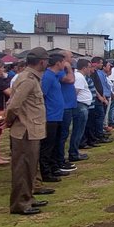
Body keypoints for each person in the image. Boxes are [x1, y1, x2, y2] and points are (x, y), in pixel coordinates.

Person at [6, 48, 51, 216]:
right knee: (23, 169)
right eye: (46, 61)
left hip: (31, 129)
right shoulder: (28, 80)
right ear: (41, 61)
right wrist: (9, 121)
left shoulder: (32, 78)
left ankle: (28, 198)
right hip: (25, 130)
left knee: (30, 168)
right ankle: (20, 204)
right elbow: (13, 106)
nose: (47, 63)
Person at [40, 52, 69, 183]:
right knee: (48, 146)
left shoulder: (54, 76)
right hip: (50, 116)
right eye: (63, 62)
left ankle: (54, 167)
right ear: (58, 63)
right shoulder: (48, 77)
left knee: (55, 143)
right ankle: (46, 172)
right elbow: (42, 95)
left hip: (56, 115)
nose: (65, 64)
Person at [69, 59, 93, 160]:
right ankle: (74, 153)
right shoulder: (79, 77)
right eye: (89, 67)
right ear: (84, 68)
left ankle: (75, 152)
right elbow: (75, 92)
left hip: (82, 106)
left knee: (79, 130)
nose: (90, 69)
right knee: (78, 130)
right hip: (80, 106)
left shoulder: (80, 76)